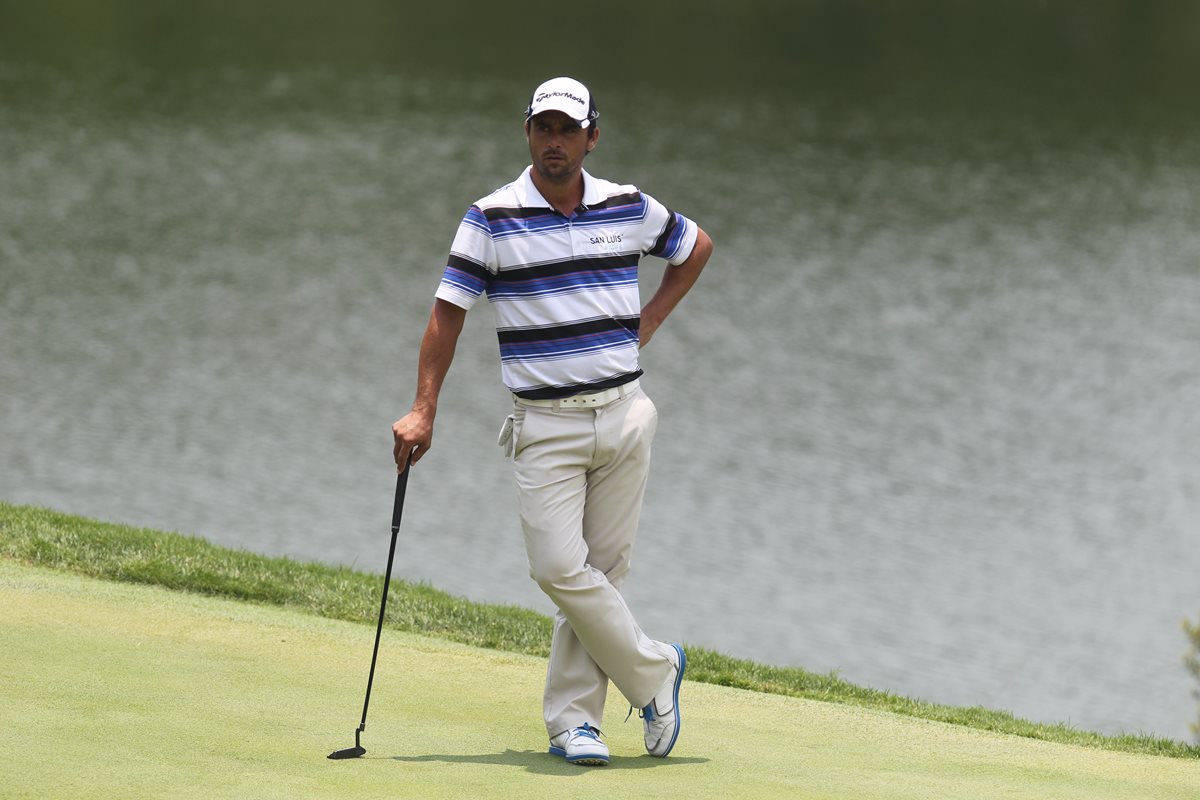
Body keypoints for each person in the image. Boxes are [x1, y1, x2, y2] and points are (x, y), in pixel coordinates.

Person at [391, 76, 713, 766]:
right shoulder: (491, 217)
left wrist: (648, 320)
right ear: (528, 133)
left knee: (602, 574)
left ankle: (575, 724)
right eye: (544, 128)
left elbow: (695, 248)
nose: (555, 142)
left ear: (592, 137)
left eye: (568, 130)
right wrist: (424, 407)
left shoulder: (627, 204)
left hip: (626, 415)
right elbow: (447, 315)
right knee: (559, 568)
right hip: (545, 426)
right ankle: (657, 673)